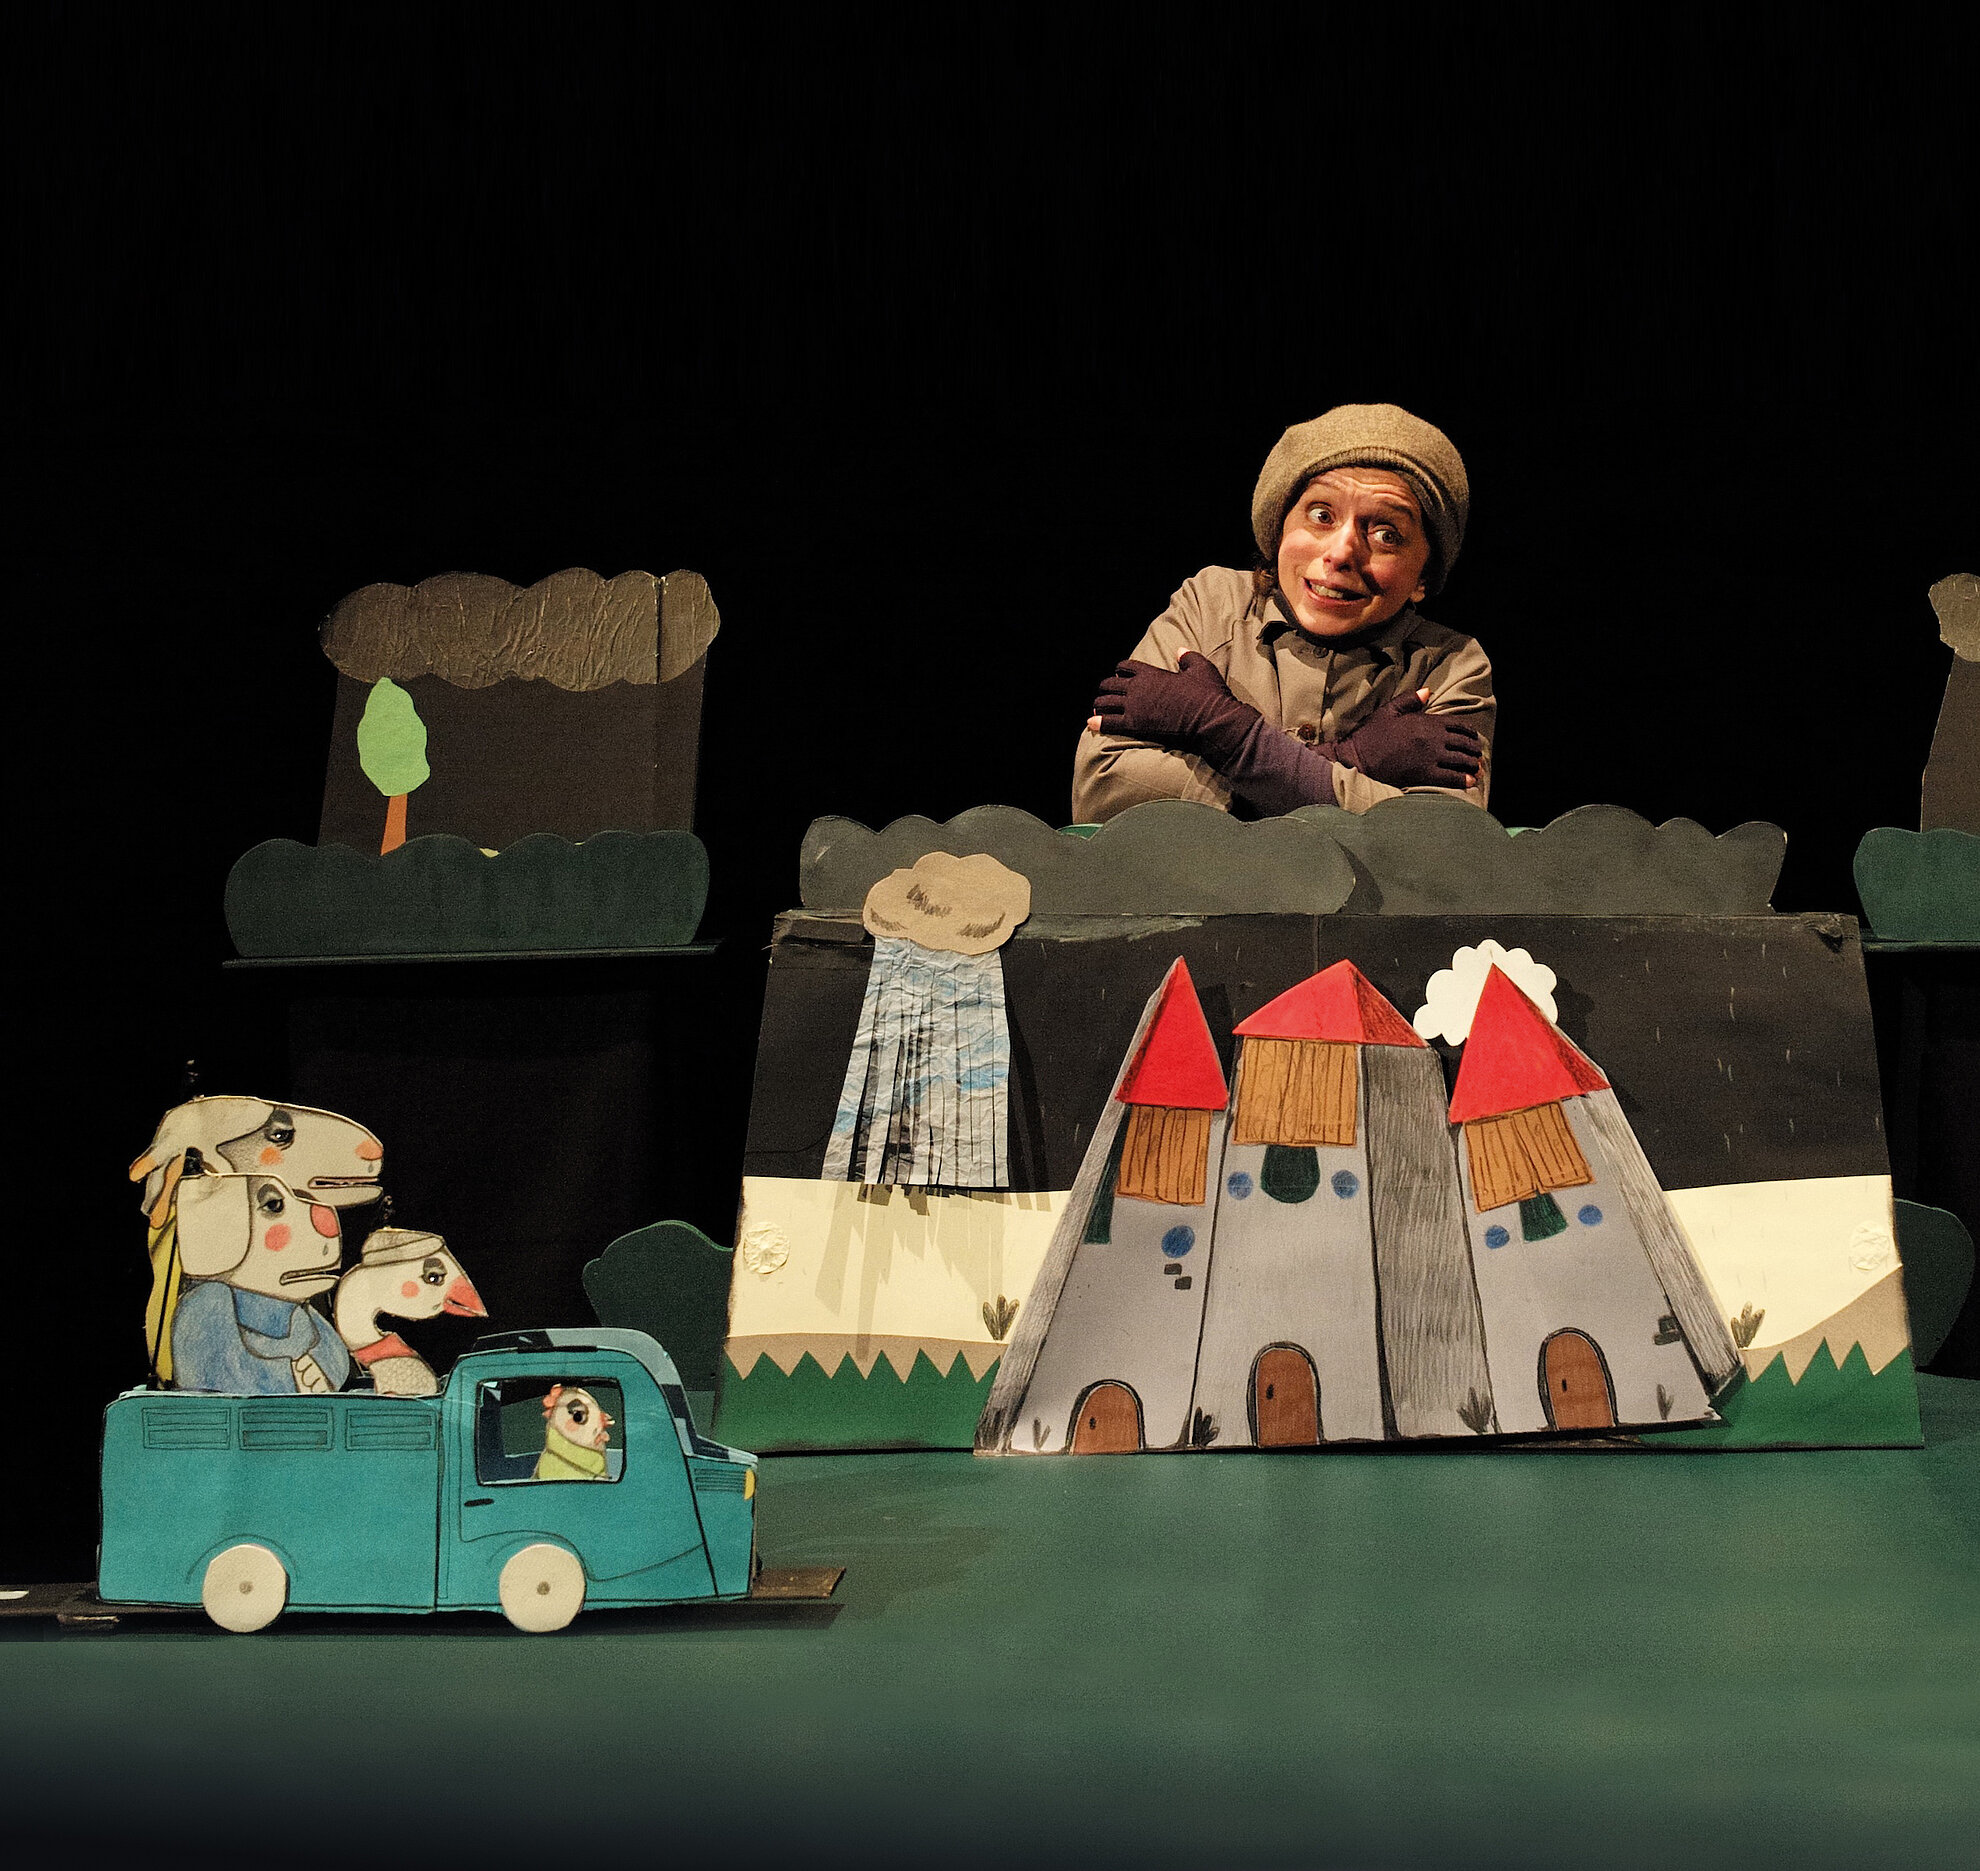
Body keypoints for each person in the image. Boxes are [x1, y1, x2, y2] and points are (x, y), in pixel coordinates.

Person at [1075, 404, 1493, 822]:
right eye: (1321, 515)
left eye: (1387, 534)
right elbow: (1104, 788)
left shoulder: (1451, 666)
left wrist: (1224, 733)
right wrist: (1351, 762)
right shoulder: (1212, 604)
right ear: (1279, 528)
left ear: (1424, 575)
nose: (1341, 553)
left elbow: (1441, 840)